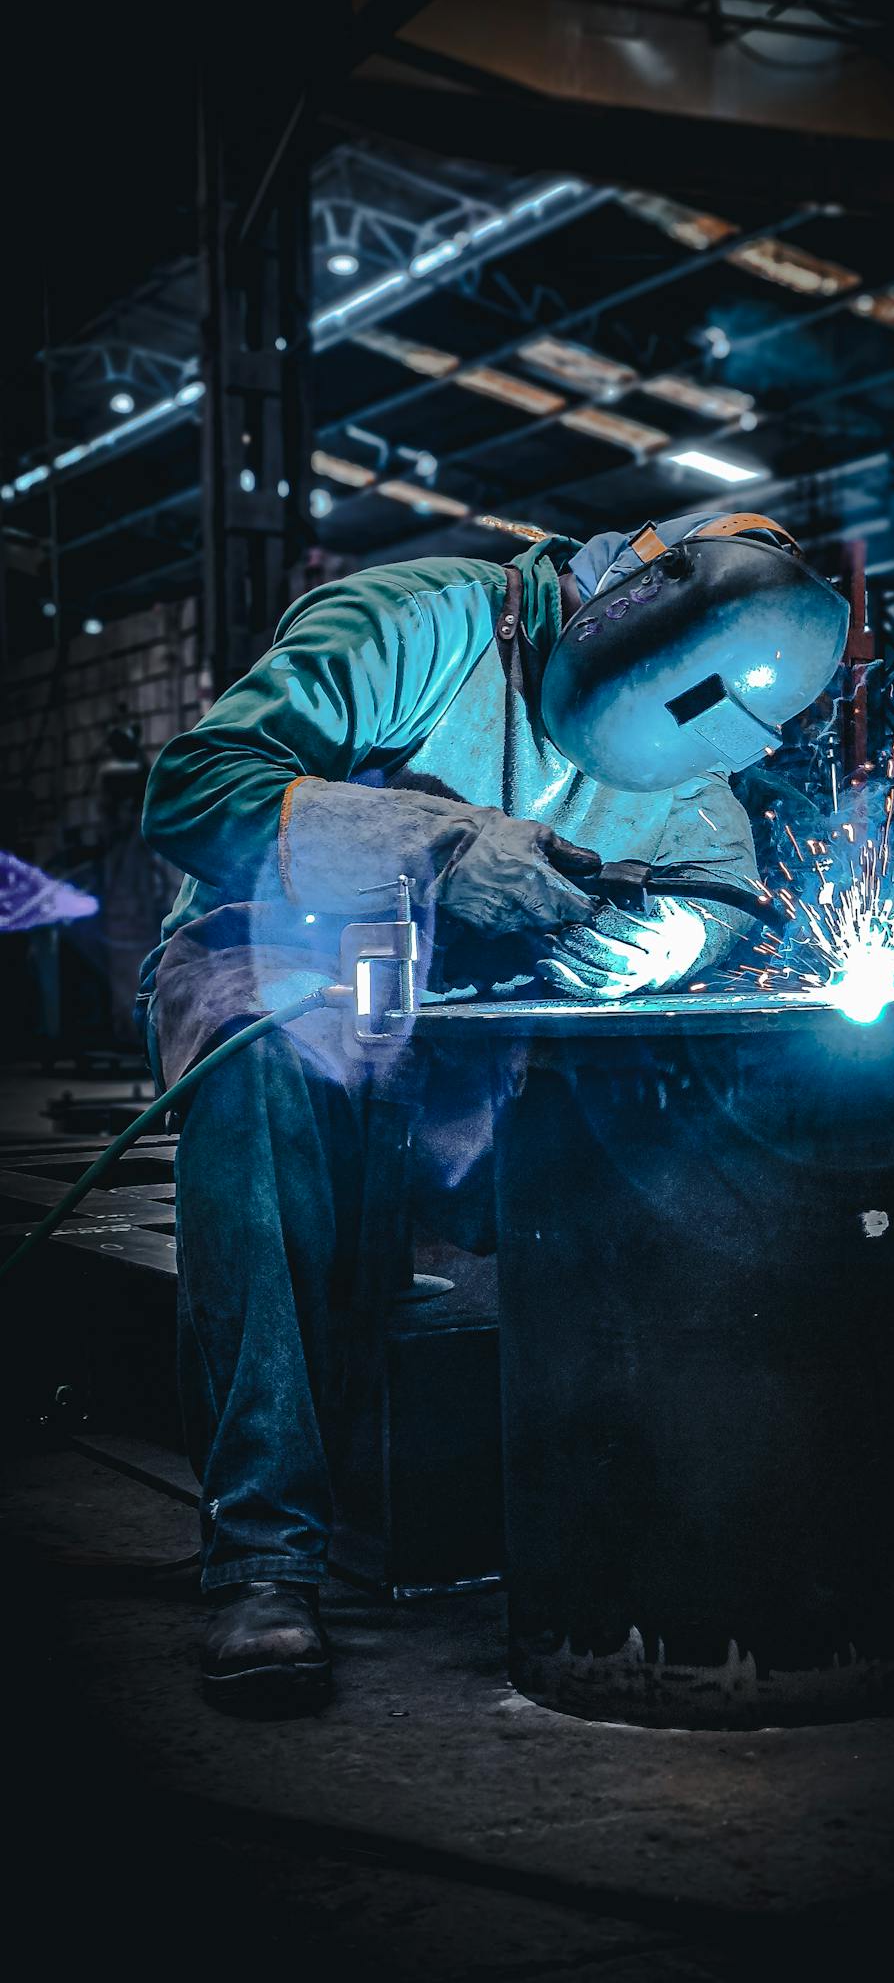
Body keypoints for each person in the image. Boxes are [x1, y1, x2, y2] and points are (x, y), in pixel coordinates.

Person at [138, 511, 847, 1712]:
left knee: (655, 1108)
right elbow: (192, 790)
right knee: (266, 1086)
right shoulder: (423, 623)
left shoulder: (696, 730)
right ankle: (262, 1556)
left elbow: (727, 889)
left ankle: (628, 1495)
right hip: (279, 955)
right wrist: (439, 846)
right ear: (619, 610)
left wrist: (665, 942)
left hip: (472, 1011)